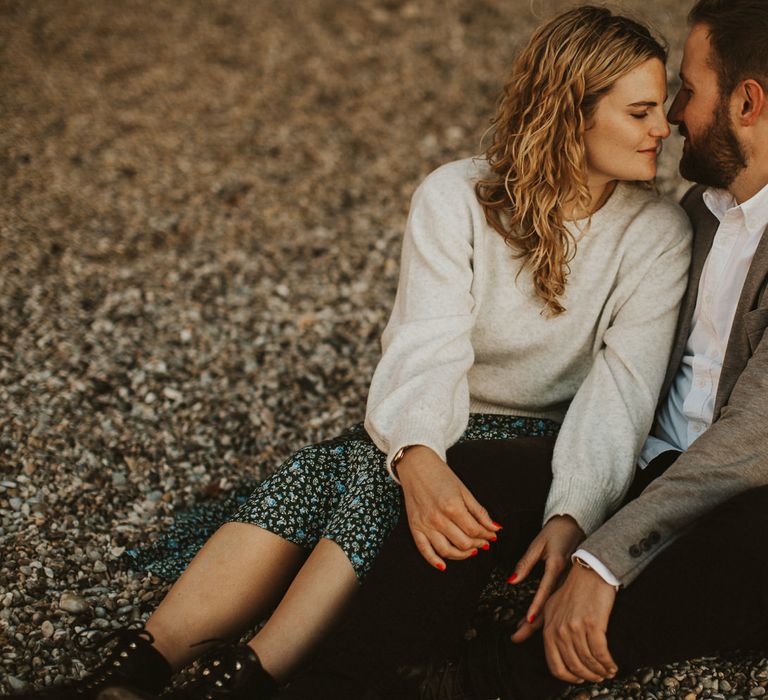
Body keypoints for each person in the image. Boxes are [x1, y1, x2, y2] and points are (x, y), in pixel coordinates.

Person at [12, 6, 691, 700]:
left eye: (660, 110)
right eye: (640, 113)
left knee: (370, 472)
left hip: (540, 445)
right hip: (443, 415)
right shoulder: (455, 196)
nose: (663, 130)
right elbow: (425, 345)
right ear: (570, 113)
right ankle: (131, 674)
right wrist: (421, 455)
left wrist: (571, 513)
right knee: (327, 468)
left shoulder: (658, 234)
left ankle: (245, 679)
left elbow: (621, 393)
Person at [379, 0, 768, 698]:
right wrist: (574, 511)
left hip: (734, 495)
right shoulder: (693, 217)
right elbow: (622, 376)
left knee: (757, 542)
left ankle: (495, 674)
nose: (674, 115)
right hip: (640, 469)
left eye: (687, 88)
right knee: (478, 470)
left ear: (747, 102)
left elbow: (749, 445)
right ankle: (364, 667)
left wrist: (603, 561)